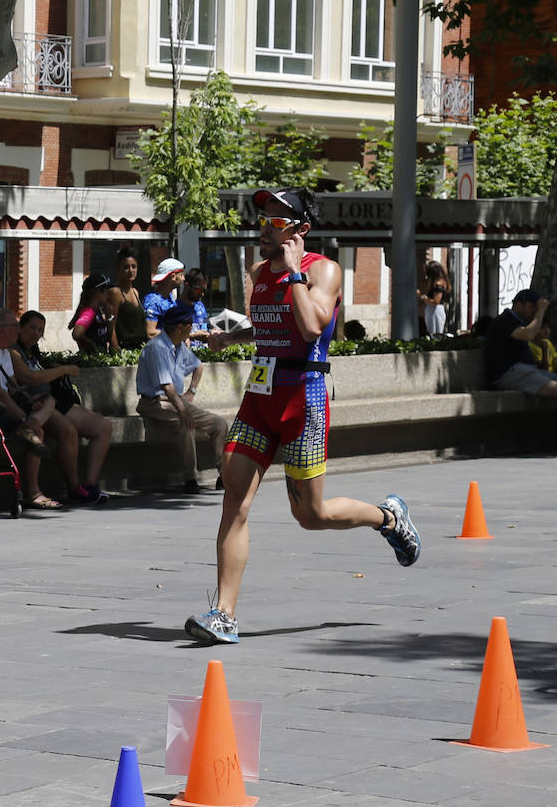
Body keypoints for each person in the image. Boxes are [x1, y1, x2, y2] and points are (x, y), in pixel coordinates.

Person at [186, 187, 420, 646]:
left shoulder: (323, 271)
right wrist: (231, 338)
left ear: (300, 230)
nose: (265, 228)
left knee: (310, 515)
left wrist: (295, 273)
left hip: (304, 399)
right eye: (264, 220)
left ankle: (387, 517)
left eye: (276, 221)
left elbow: (312, 324)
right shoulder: (257, 271)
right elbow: (275, 320)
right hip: (260, 396)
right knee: (235, 497)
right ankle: (224, 614)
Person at [0, 307, 63, 509]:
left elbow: (12, 388)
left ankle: (31, 425)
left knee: (49, 400)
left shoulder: (4, 351)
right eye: (15, 326)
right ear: (0, 330)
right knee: (36, 429)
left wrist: (31, 402)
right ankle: (32, 492)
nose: (18, 331)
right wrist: (22, 415)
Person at [12, 310, 111, 505]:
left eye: (40, 330)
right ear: (20, 328)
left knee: (104, 427)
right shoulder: (13, 351)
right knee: (68, 431)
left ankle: (89, 485)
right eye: (32, 327)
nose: (35, 333)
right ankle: (74, 488)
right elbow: (28, 378)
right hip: (34, 405)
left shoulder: (33, 351)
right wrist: (63, 369)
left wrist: (53, 369)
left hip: (53, 400)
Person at [135, 300, 227, 494]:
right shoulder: (157, 348)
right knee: (187, 425)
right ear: (180, 327)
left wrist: (191, 392)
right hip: (154, 403)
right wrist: (183, 409)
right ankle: (191, 478)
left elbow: (198, 366)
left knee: (219, 424)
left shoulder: (179, 346)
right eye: (190, 326)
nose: (192, 329)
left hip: (175, 401)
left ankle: (224, 475)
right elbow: (166, 386)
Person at [484, 288, 557, 398]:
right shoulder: (505, 319)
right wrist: (541, 310)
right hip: (509, 374)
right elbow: (528, 334)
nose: (534, 312)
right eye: (532, 307)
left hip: (526, 371)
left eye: (536, 309)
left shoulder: (519, 323)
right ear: (518, 304)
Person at [106, 246, 147, 350]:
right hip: (125, 349)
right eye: (126, 267)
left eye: (134, 266)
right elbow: (111, 326)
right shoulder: (116, 292)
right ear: (118, 269)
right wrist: (116, 351)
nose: (131, 270)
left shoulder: (135, 292)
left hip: (140, 348)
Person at [68, 274, 116, 354]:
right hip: (92, 363)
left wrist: (108, 317)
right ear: (98, 292)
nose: (108, 294)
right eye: (106, 290)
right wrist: (91, 346)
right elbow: (77, 334)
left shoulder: (97, 312)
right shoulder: (89, 312)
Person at [143, 258, 185, 342]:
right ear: (173, 277)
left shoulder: (170, 297)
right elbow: (150, 332)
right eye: (181, 275)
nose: (183, 279)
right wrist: (179, 334)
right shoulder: (152, 301)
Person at [419, 260, 450, 336]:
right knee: (430, 333)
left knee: (435, 334)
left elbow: (436, 302)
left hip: (435, 311)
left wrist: (422, 297)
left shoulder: (439, 284)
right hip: (431, 310)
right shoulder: (432, 282)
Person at [182, 268, 212, 346]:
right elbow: (170, 337)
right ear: (187, 285)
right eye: (199, 290)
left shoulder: (200, 307)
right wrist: (192, 336)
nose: (202, 294)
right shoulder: (175, 309)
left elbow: (205, 329)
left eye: (204, 290)